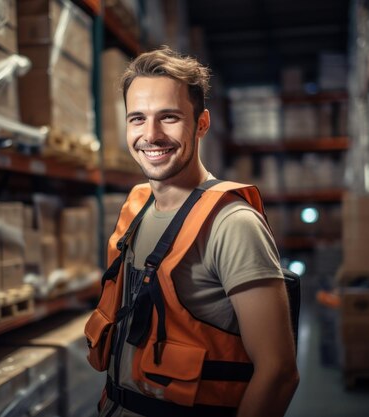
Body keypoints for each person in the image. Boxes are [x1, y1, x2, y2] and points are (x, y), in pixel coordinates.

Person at [84, 46, 299, 417]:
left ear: (201, 124)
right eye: (137, 119)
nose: (150, 135)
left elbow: (279, 373)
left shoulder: (232, 224)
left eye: (168, 117)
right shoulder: (137, 209)